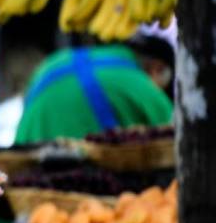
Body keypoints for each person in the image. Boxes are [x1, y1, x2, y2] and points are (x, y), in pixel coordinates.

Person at [13, 40, 174, 145]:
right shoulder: (142, 85)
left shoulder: (55, 61)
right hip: (81, 179)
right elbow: (172, 139)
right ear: (157, 69)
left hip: (23, 157)